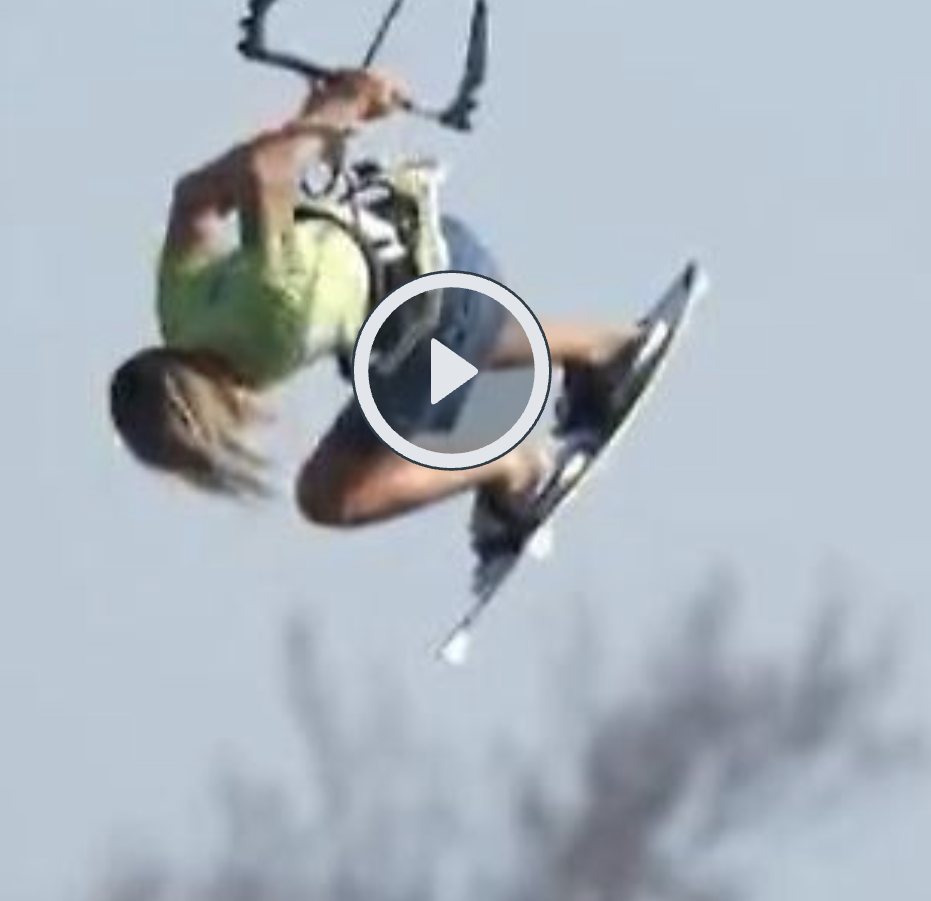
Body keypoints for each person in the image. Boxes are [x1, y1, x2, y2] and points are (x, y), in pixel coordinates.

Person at [108, 67, 645, 561]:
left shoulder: (271, 327)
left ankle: (511, 467)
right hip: (440, 249)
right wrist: (311, 122)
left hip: (447, 306)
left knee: (327, 496)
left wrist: (339, 109)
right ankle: (602, 350)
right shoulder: (180, 313)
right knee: (394, 349)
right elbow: (195, 197)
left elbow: (267, 171)